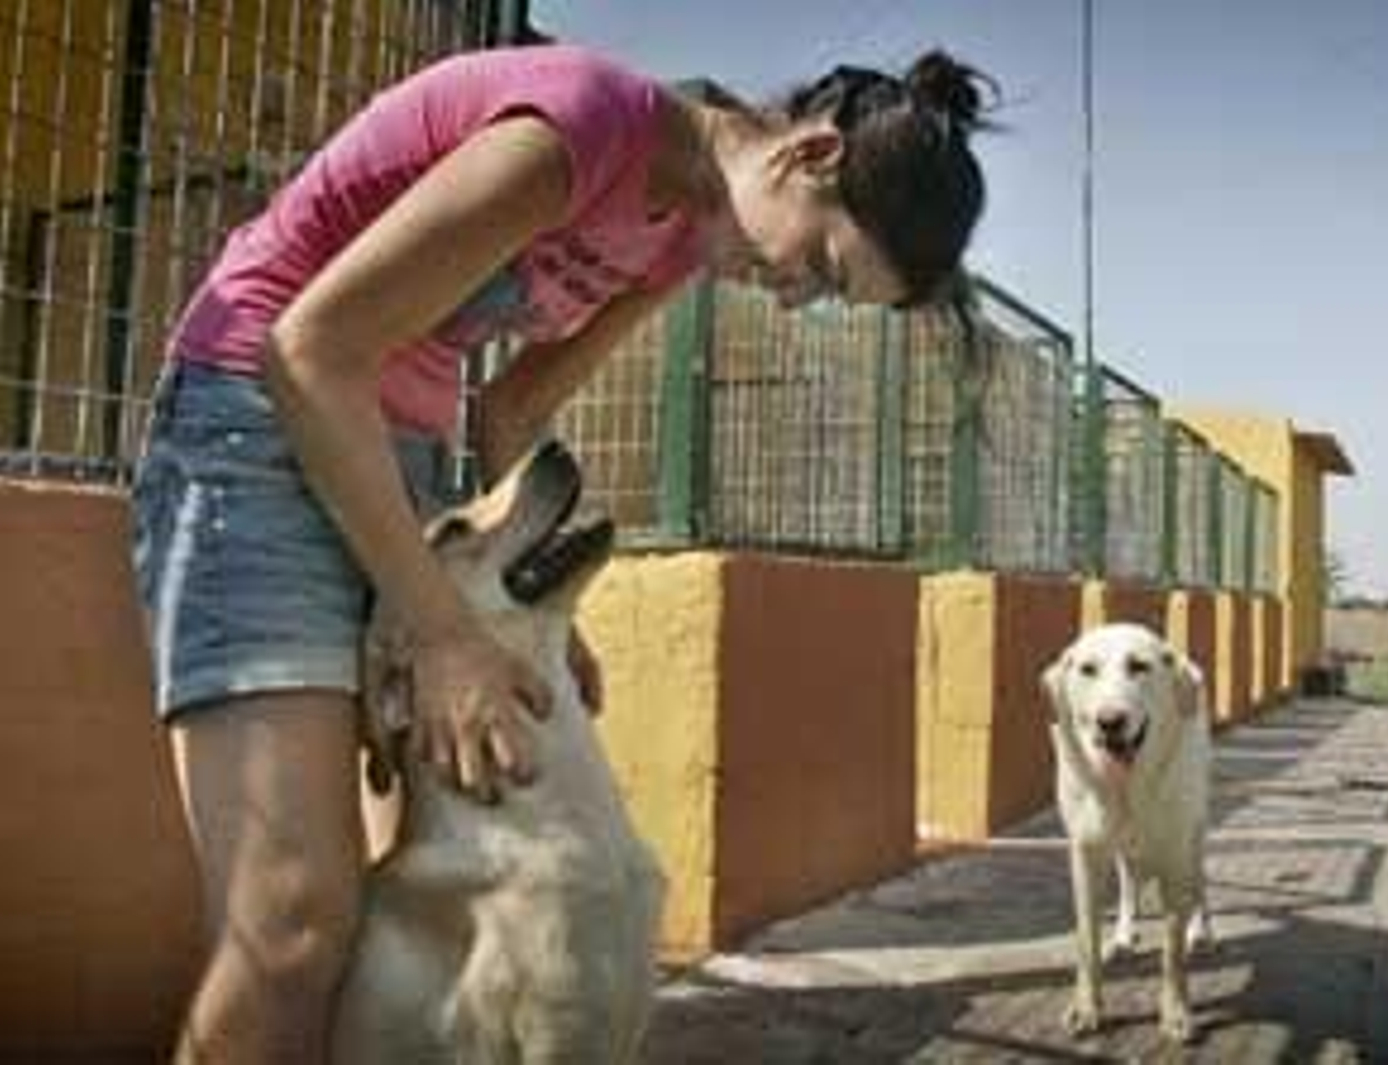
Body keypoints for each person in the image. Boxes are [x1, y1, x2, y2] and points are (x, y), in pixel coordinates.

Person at [130, 38, 991, 1064]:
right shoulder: (582, 127)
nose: (794, 295)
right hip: (255, 421)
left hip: (388, 452)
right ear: (808, 156)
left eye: (825, 297)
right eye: (821, 266)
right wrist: (443, 635)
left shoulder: (680, 237)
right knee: (290, 918)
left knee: (391, 898)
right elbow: (308, 351)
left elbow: (513, 406)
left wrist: (535, 610)